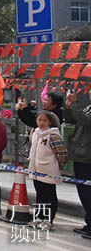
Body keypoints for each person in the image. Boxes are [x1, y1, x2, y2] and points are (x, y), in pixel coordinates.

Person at [28, 110, 67, 229]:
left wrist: (58, 166)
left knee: (49, 195)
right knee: (40, 195)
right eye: (39, 120)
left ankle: (48, 219)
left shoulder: (53, 135)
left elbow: (62, 153)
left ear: (50, 122)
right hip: (36, 169)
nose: (41, 123)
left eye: (45, 120)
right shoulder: (36, 133)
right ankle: (39, 217)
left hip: (48, 171)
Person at [65, 92, 91, 239]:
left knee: (88, 192)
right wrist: (68, 107)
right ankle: (89, 223)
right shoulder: (88, 107)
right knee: (83, 192)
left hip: (88, 155)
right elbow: (73, 119)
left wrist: (74, 105)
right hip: (80, 153)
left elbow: (86, 120)